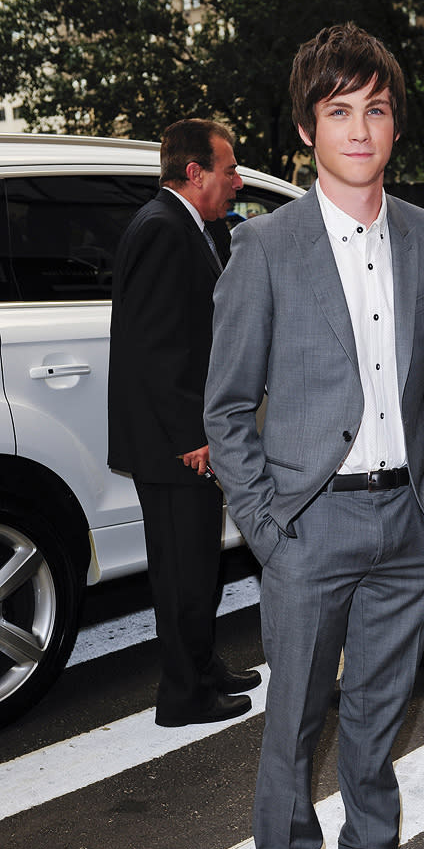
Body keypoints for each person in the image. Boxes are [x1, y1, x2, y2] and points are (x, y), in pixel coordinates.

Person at [204, 23, 424, 849]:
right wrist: (272, 531)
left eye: (376, 108)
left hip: (405, 522)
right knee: (297, 716)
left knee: (381, 703)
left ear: (393, 123)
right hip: (308, 527)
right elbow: (226, 406)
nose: (360, 128)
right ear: (309, 129)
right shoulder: (264, 247)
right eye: (338, 110)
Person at [107, 118, 261, 728]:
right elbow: (154, 349)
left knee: (200, 564)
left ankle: (202, 666)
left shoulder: (190, 227)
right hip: (176, 445)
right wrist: (191, 437)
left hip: (184, 438)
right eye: (228, 170)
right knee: (180, 575)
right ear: (194, 172)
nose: (238, 180)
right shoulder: (163, 230)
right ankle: (182, 697)